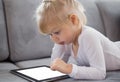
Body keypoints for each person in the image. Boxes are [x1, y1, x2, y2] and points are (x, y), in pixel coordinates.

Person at [36, 0, 120, 80]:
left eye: (57, 32)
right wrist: (59, 44)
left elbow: (100, 73)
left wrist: (68, 68)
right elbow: (55, 65)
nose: (53, 38)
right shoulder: (68, 41)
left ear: (73, 20)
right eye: (50, 34)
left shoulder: (88, 36)